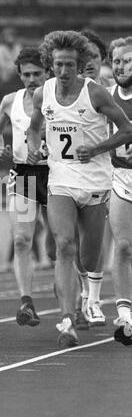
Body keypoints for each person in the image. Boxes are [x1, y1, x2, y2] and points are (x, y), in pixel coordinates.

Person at [26, 30, 132, 348]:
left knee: (88, 258)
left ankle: (87, 291)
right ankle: (67, 318)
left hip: (96, 183)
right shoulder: (42, 94)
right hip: (61, 180)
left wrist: (98, 148)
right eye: (58, 65)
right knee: (64, 246)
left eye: (70, 65)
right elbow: (33, 129)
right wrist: (34, 148)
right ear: (50, 64)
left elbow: (127, 129)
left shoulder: (96, 93)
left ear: (80, 64)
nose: (63, 71)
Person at [0, 47, 55, 328]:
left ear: (48, 73)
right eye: (26, 74)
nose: (32, 80)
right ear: (19, 75)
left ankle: (77, 300)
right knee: (21, 240)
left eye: (37, 74)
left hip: (56, 174)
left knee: (60, 245)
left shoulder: (57, 98)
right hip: (23, 175)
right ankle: (26, 302)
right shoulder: (10, 101)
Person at [74, 30, 112, 328]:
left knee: (102, 241)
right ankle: (83, 294)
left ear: (102, 61)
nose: (88, 63)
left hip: (110, 174)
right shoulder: (64, 90)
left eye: (94, 58)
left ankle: (93, 298)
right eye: (83, 57)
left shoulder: (113, 90)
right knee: (69, 242)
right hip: (71, 174)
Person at [107, 36, 132, 345]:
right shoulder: (106, 97)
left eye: (128, 60)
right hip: (121, 177)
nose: (122, 66)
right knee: (123, 246)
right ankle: (126, 315)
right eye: (117, 61)